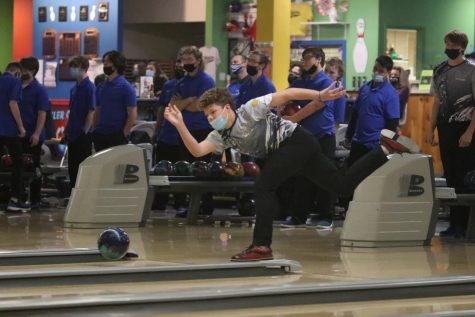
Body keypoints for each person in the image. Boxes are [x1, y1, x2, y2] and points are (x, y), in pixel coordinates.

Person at [164, 86, 419, 261]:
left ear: (228, 108)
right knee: (341, 186)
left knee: (263, 186)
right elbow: (197, 151)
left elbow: (286, 95)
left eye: (214, 112)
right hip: (293, 149)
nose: (210, 118)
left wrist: (319, 94)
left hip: (295, 141)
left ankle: (261, 246)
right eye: (207, 115)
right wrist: (180, 124)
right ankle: (385, 148)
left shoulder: (250, 109)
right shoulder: (220, 135)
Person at [427, 30, 475, 238]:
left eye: (452, 46)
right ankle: (455, 224)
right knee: (451, 175)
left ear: (461, 48)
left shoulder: (472, 70)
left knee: (466, 176)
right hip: (445, 128)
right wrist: (430, 128)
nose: (448, 49)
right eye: (446, 44)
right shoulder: (439, 70)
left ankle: (466, 224)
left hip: (465, 128)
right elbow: (436, 101)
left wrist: (470, 132)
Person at [283, 47, 337, 227]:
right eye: (303, 59)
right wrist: (279, 106)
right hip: (305, 137)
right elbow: (287, 95)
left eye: (308, 59)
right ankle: (299, 216)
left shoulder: (327, 82)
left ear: (319, 60)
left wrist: (293, 119)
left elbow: (315, 105)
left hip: (323, 135)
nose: (305, 62)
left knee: (325, 175)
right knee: (302, 176)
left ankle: (326, 216)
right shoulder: (303, 81)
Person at [170, 45, 216, 216]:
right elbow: (173, 105)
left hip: (202, 130)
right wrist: (189, 100)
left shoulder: (206, 81)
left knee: (203, 169)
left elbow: (200, 106)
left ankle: (206, 206)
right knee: (188, 169)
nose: (187, 63)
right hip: (184, 130)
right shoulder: (182, 82)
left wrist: (185, 103)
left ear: (198, 61)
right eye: (184, 60)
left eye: (191, 60)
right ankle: (192, 207)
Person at [344, 55, 400, 167]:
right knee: (351, 177)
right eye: (375, 69)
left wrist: (386, 147)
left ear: (388, 73)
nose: (376, 73)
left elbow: (392, 124)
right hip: (358, 141)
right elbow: (355, 114)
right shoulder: (364, 88)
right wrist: (348, 136)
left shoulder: (391, 94)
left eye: (381, 71)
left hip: (375, 145)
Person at [152, 58, 186, 210]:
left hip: (181, 136)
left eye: (182, 63)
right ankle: (160, 201)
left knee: (182, 171)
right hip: (166, 134)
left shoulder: (190, 86)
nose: (178, 66)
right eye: (177, 63)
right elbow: (161, 108)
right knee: (162, 169)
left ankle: (180, 202)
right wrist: (157, 129)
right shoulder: (168, 85)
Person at [19, 56, 51, 210]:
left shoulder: (39, 90)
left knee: (34, 168)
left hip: (32, 135)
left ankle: (35, 200)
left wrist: (37, 133)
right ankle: (18, 198)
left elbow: (42, 113)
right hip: (17, 134)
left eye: (24, 69)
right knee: (17, 167)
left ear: (32, 70)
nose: (22, 71)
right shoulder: (16, 86)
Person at [93, 50, 137, 152]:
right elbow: (98, 109)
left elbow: (132, 113)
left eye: (107, 62)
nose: (104, 65)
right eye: (104, 62)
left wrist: (123, 134)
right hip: (100, 133)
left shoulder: (126, 87)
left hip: (116, 134)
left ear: (116, 64)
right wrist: (94, 129)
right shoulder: (101, 86)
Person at [0, 62, 29, 211]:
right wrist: (20, 126)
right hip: (9, 130)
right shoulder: (15, 81)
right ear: (17, 72)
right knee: (18, 164)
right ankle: (15, 199)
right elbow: (13, 103)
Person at [63, 56, 95, 188]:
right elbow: (71, 112)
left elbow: (91, 111)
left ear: (83, 68)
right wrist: (66, 129)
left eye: (75, 67)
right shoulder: (74, 88)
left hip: (83, 134)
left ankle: (82, 194)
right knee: (72, 166)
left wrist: (85, 131)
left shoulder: (90, 87)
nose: (72, 70)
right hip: (73, 132)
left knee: (83, 166)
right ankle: (73, 193)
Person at [325, 57, 347, 128]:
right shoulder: (321, 87)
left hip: (328, 131)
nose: (327, 75)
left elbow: (337, 122)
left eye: (331, 72)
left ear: (339, 74)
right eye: (325, 71)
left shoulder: (339, 93)